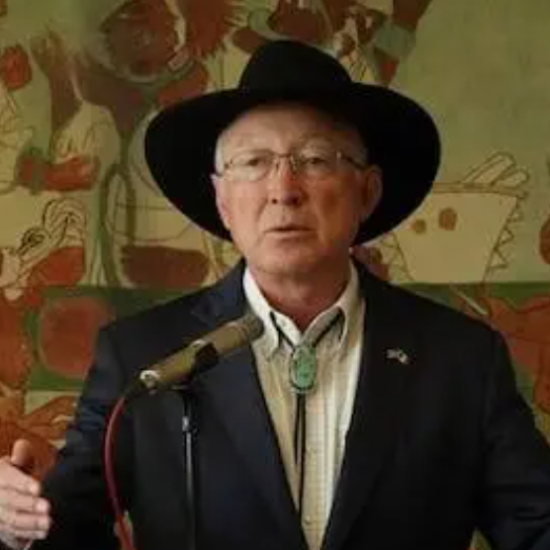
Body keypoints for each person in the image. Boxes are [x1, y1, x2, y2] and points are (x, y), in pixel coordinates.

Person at [0, 39, 550, 550]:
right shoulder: (143, 358)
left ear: (367, 191)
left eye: (315, 160)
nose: (283, 190)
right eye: (253, 163)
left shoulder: (461, 359)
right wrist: (15, 520)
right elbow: (64, 528)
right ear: (222, 200)